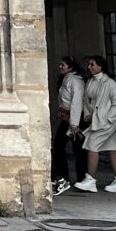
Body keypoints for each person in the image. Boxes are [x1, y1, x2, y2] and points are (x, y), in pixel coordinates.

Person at [74, 55, 116, 194]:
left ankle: (90, 180)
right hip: (98, 120)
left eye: (92, 65)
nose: (89, 67)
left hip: (108, 122)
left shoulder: (110, 83)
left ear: (100, 67)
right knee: (112, 149)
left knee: (92, 144)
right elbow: (87, 100)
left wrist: (109, 118)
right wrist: (88, 114)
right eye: (89, 65)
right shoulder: (90, 82)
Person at [50, 57, 86, 196]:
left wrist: (74, 124)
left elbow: (76, 103)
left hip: (73, 119)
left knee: (62, 146)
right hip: (69, 118)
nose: (60, 66)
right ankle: (75, 178)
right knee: (75, 148)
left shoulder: (75, 81)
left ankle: (67, 177)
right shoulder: (67, 79)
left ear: (70, 67)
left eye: (63, 65)